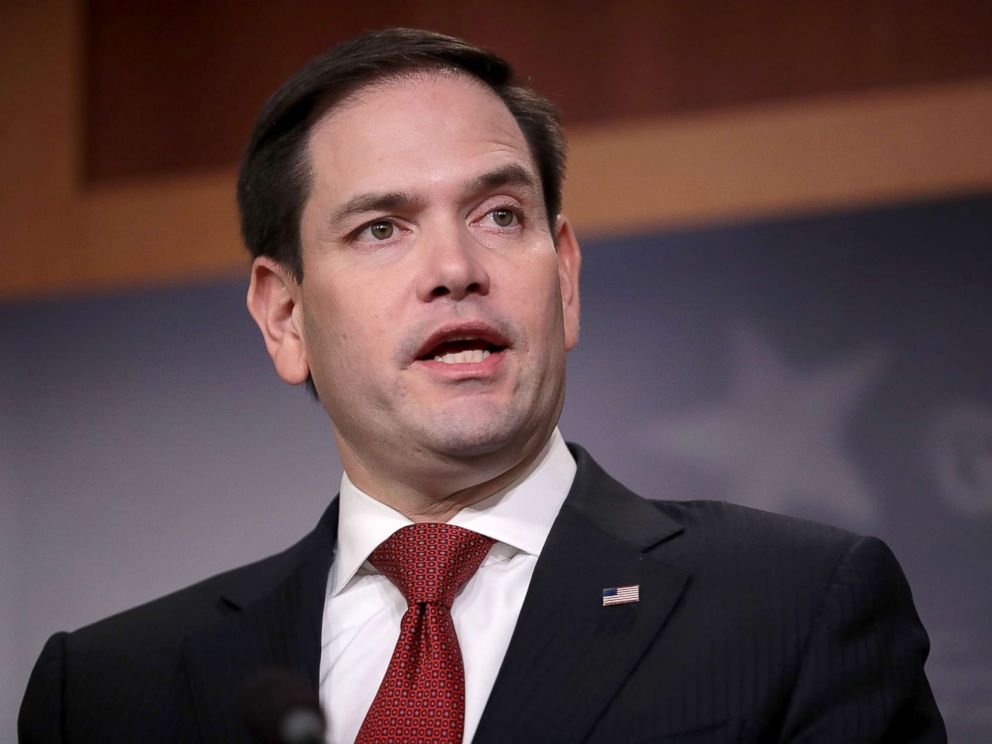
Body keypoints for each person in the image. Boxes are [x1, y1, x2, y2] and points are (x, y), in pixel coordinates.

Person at [19, 28, 945, 743]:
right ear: (285, 316)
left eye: (500, 214)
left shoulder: (792, 605)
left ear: (566, 277)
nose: (456, 267)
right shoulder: (110, 692)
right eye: (382, 228)